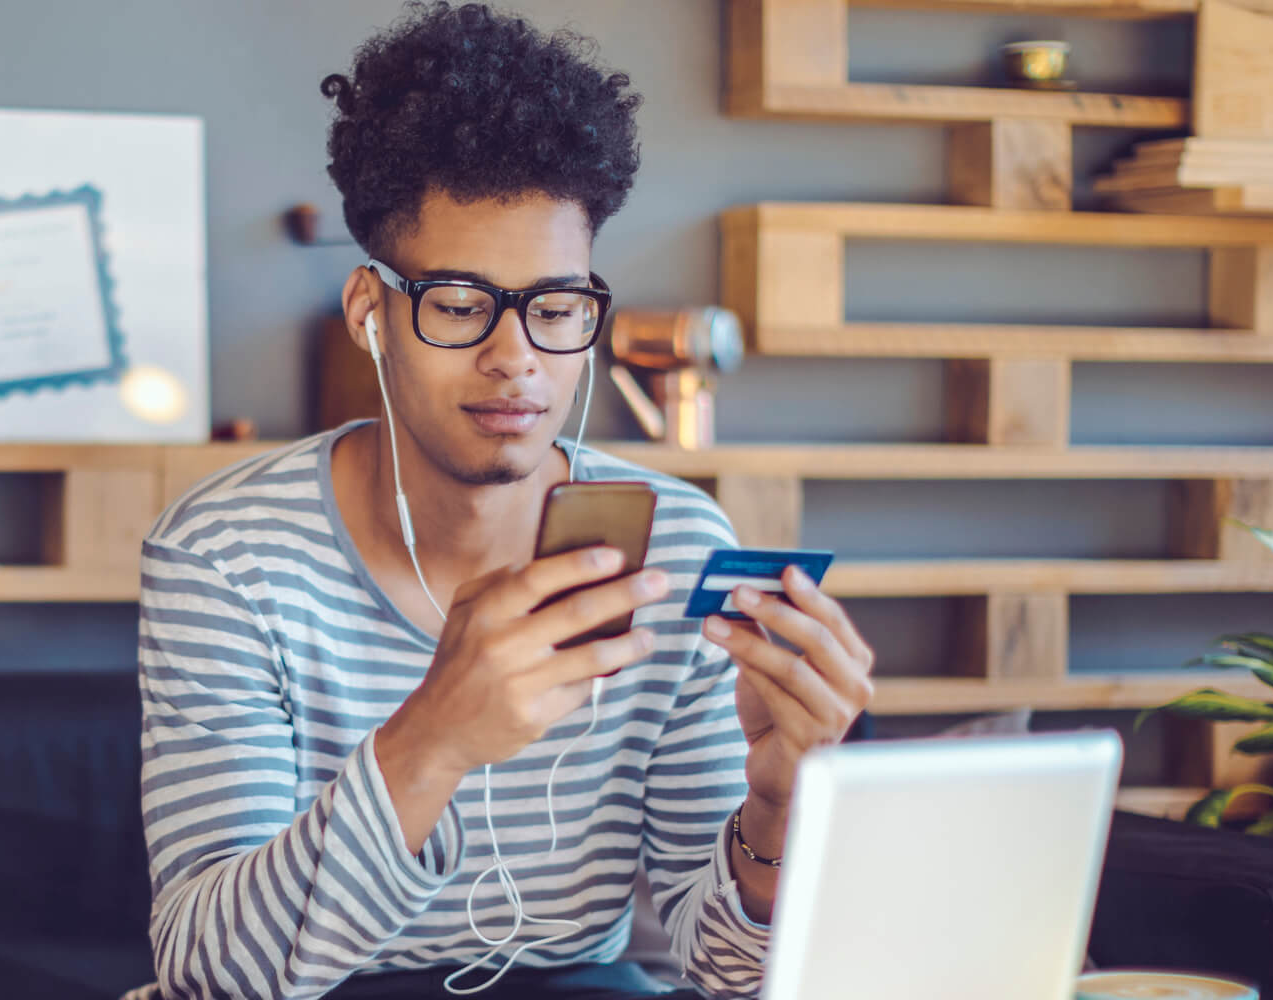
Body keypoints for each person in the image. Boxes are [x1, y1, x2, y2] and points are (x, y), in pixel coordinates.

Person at [136, 4, 875, 998]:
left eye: (558, 308)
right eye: (457, 303)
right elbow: (210, 975)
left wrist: (779, 814)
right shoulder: (226, 555)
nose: (517, 357)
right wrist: (433, 737)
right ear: (372, 312)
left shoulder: (677, 543)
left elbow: (729, 976)